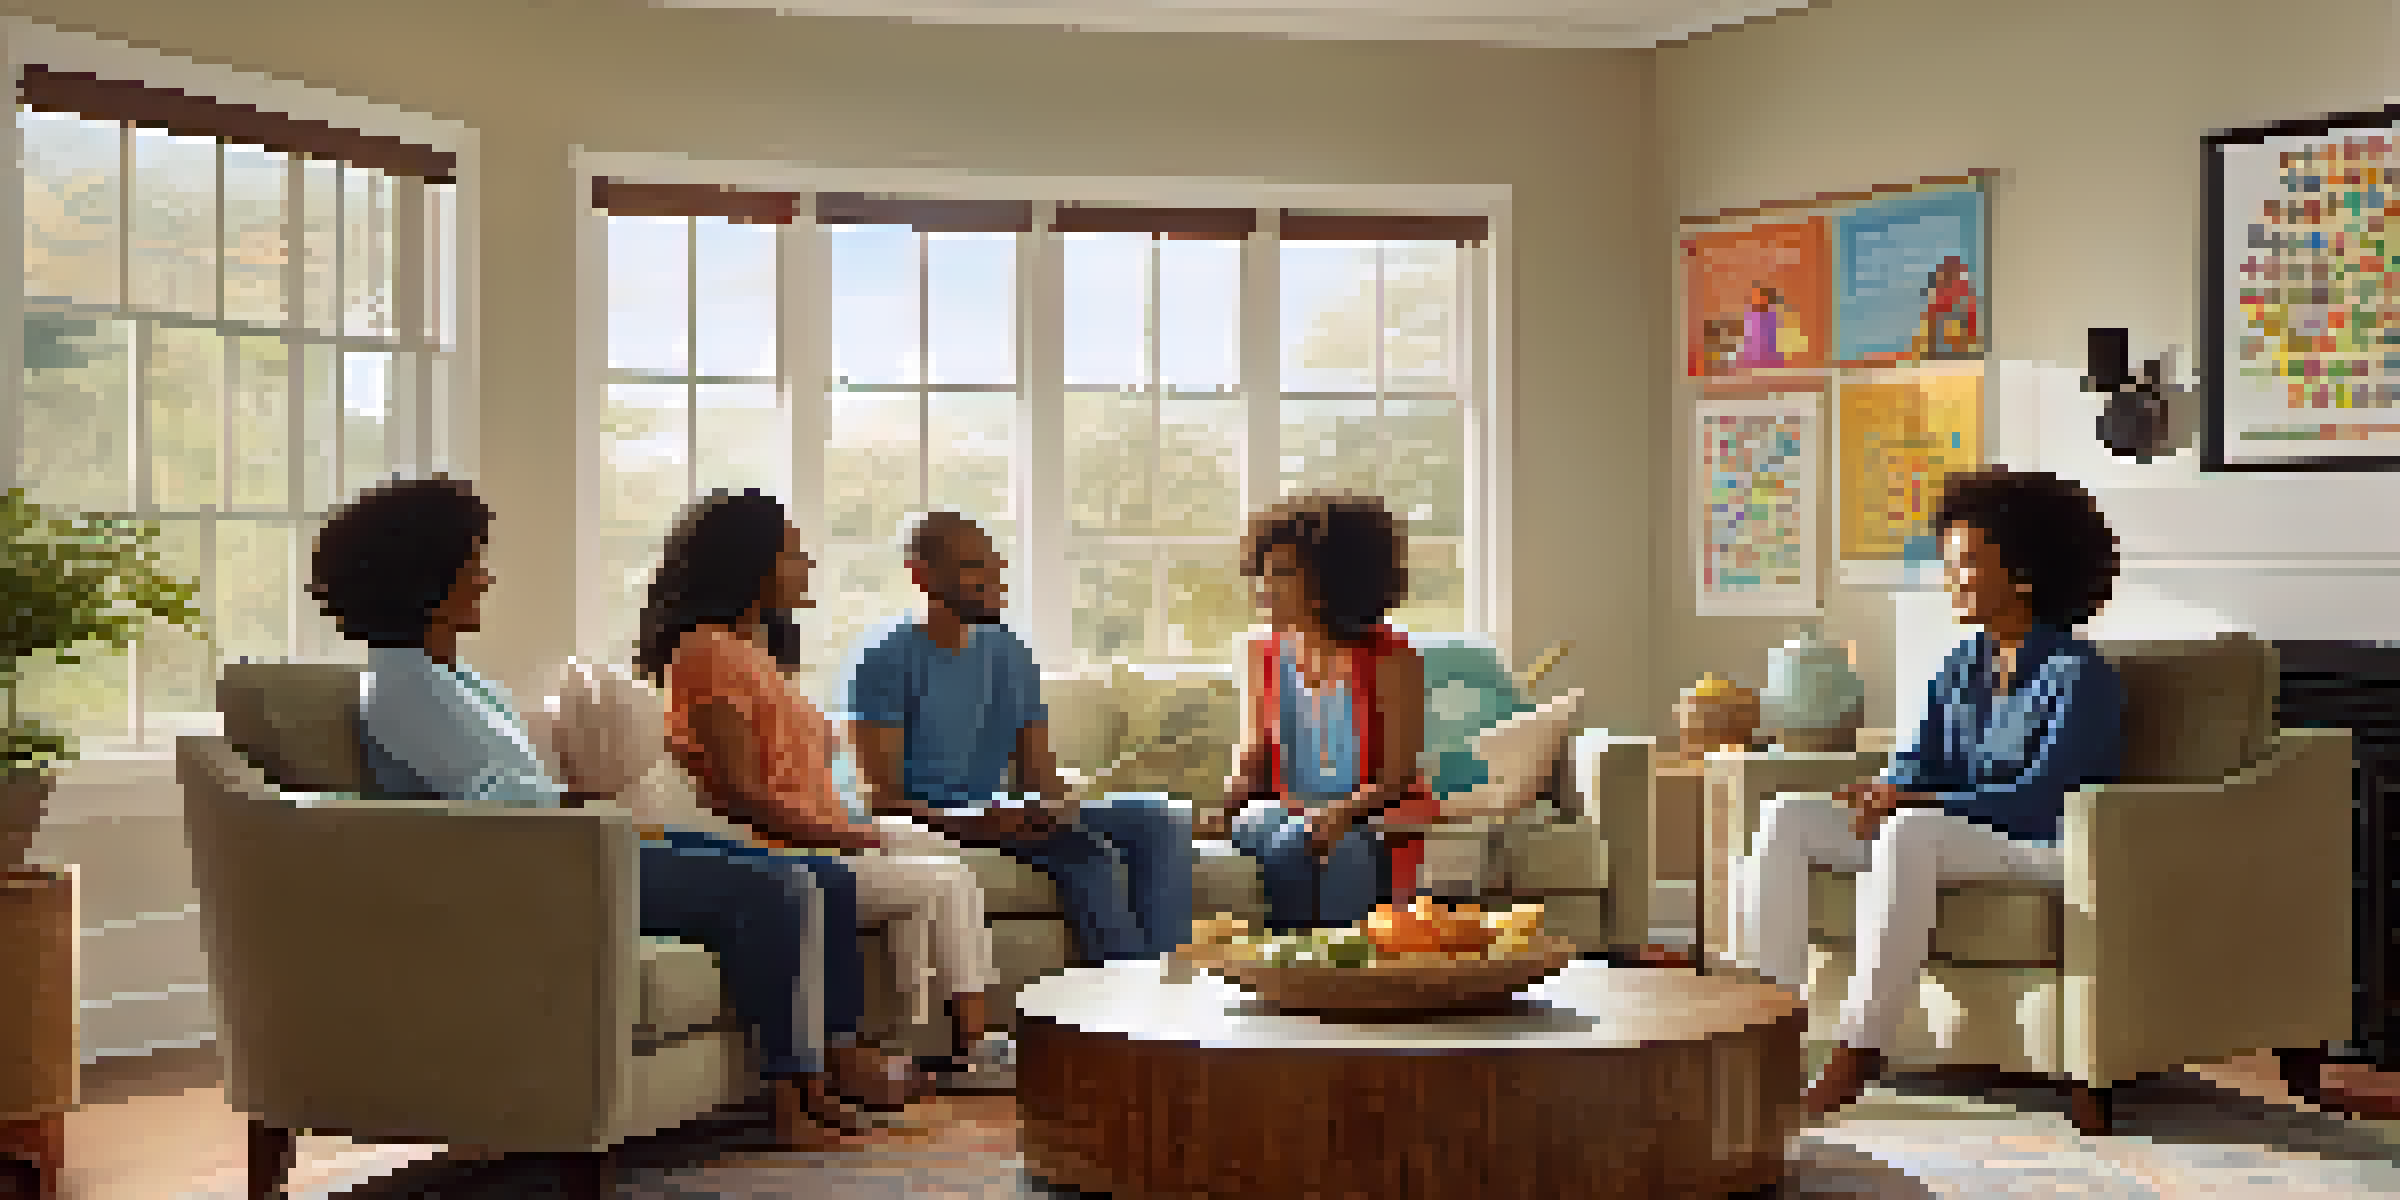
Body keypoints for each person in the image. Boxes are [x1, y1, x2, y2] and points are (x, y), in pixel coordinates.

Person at [318, 476, 926, 1144]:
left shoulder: (454, 678)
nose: (485, 580)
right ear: (426, 579)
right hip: (546, 870)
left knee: (824, 878)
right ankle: (788, 1101)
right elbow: (492, 804)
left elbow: (512, 783)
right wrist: (584, 806)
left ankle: (825, 1071)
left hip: (583, 845)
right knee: (775, 885)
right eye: (471, 565)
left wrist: (591, 809)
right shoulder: (402, 686)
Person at [1728, 467, 2125, 1116]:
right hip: (1953, 834)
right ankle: (1768, 1033)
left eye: (1966, 563)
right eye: (1948, 563)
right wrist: (1883, 789)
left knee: (1912, 830)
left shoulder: (2079, 676)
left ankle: (1858, 1051)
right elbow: (1918, 762)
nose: (1950, 579)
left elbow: (2048, 800)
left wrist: (1919, 805)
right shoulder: (1962, 664)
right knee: (1788, 817)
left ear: (2022, 573)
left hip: (2042, 848)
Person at [635, 490, 1011, 1090]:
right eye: (792, 555)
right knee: (946, 878)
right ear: (750, 565)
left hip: (820, 835)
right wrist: (847, 836)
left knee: (948, 870)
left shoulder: (755, 656)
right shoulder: (705, 655)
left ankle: (930, 1045)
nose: (806, 568)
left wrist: (859, 828)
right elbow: (741, 795)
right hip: (786, 853)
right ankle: (968, 1049)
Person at [843, 511, 1196, 963]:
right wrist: (969, 822)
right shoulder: (884, 659)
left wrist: (1057, 804)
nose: (994, 576)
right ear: (921, 574)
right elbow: (881, 798)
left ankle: (1171, 976)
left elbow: (1040, 773)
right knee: (1090, 857)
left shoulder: (1009, 652)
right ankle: (1129, 1006)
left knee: (1162, 818)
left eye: (993, 562)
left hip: (1008, 814)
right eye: (974, 566)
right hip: (937, 824)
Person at [1203, 492, 1439, 932]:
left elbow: (1397, 777)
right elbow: (1254, 754)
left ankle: (1324, 968)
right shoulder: (1263, 655)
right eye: (1262, 573)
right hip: (1283, 808)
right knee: (1270, 829)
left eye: (1283, 574)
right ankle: (1300, 965)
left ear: (1333, 581)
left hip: (1371, 811)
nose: (1264, 588)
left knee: (1321, 845)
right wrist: (1223, 810)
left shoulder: (1392, 658)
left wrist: (1342, 812)